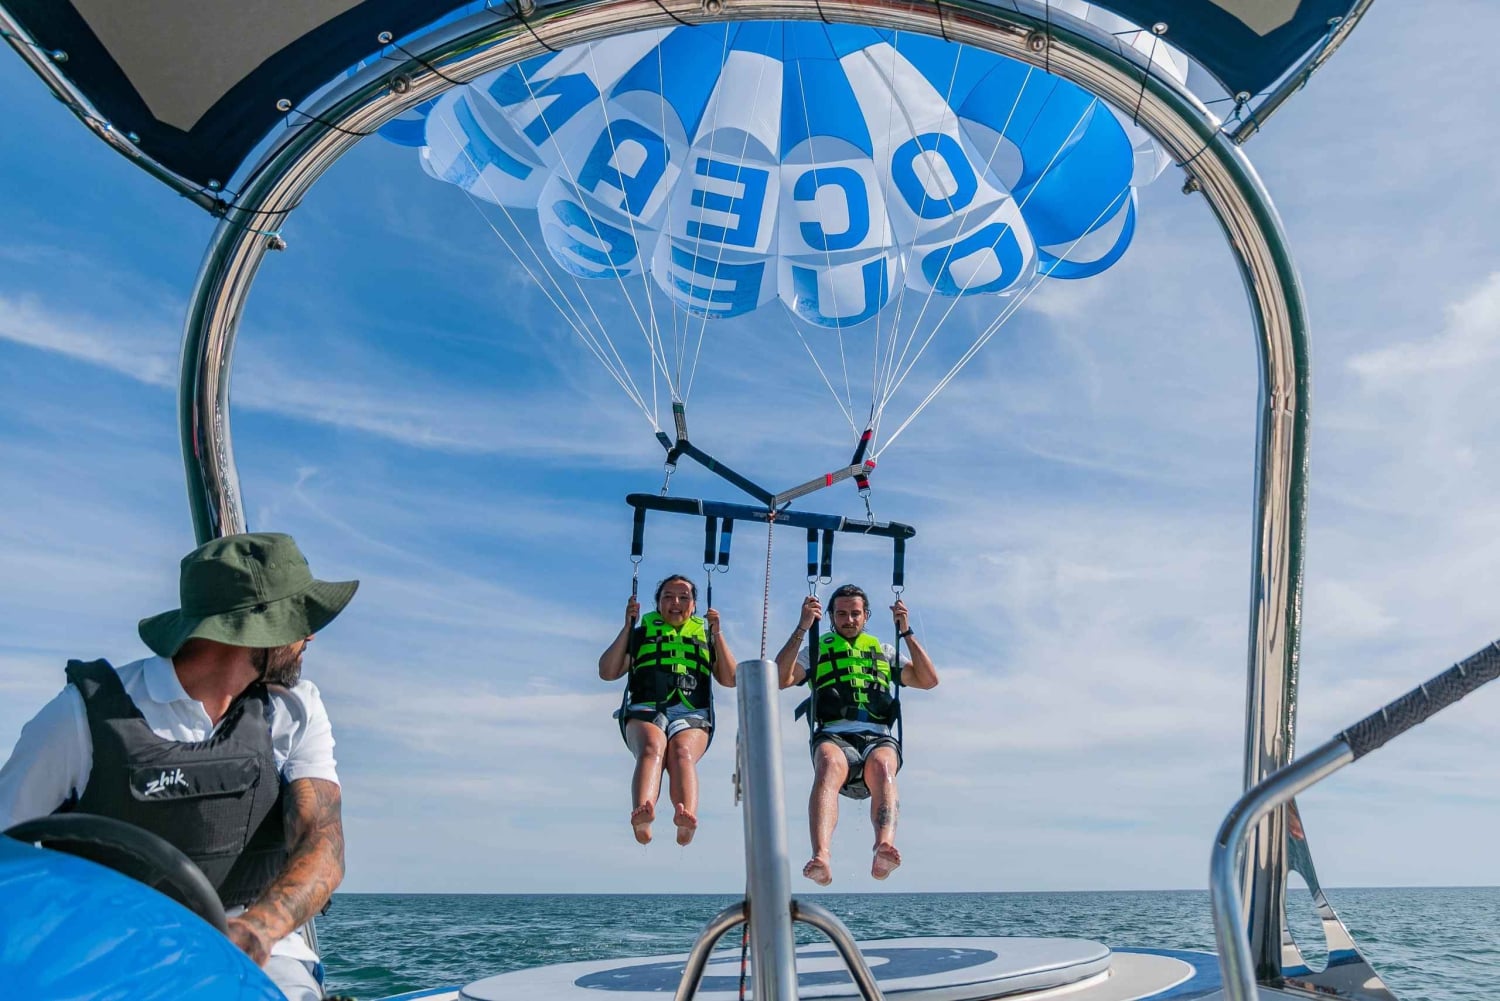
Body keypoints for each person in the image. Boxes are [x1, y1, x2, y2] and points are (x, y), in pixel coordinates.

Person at [0, 532, 357, 1001]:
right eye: (298, 620)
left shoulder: (296, 709)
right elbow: (7, 852)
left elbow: (323, 843)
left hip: (261, 953)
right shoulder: (81, 718)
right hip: (110, 950)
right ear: (255, 630)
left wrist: (256, 931)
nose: (308, 635)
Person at [775, 583, 937, 886]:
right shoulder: (817, 650)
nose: (849, 620)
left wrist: (906, 632)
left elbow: (928, 680)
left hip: (877, 736)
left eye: (855, 614)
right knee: (828, 765)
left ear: (866, 616)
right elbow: (781, 678)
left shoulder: (884, 651)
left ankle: (883, 847)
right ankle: (821, 855)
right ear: (830, 617)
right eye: (841, 614)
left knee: (884, 766)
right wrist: (801, 627)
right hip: (834, 736)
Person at [598, 574, 736, 847]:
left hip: (692, 712)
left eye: (684, 597)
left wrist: (717, 632)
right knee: (653, 747)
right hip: (645, 708)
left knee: (681, 752)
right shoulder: (641, 634)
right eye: (668, 597)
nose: (676, 602)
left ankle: (686, 820)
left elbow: (730, 679)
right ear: (658, 603)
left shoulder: (706, 635)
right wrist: (628, 626)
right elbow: (607, 672)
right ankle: (643, 816)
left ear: (694, 605)